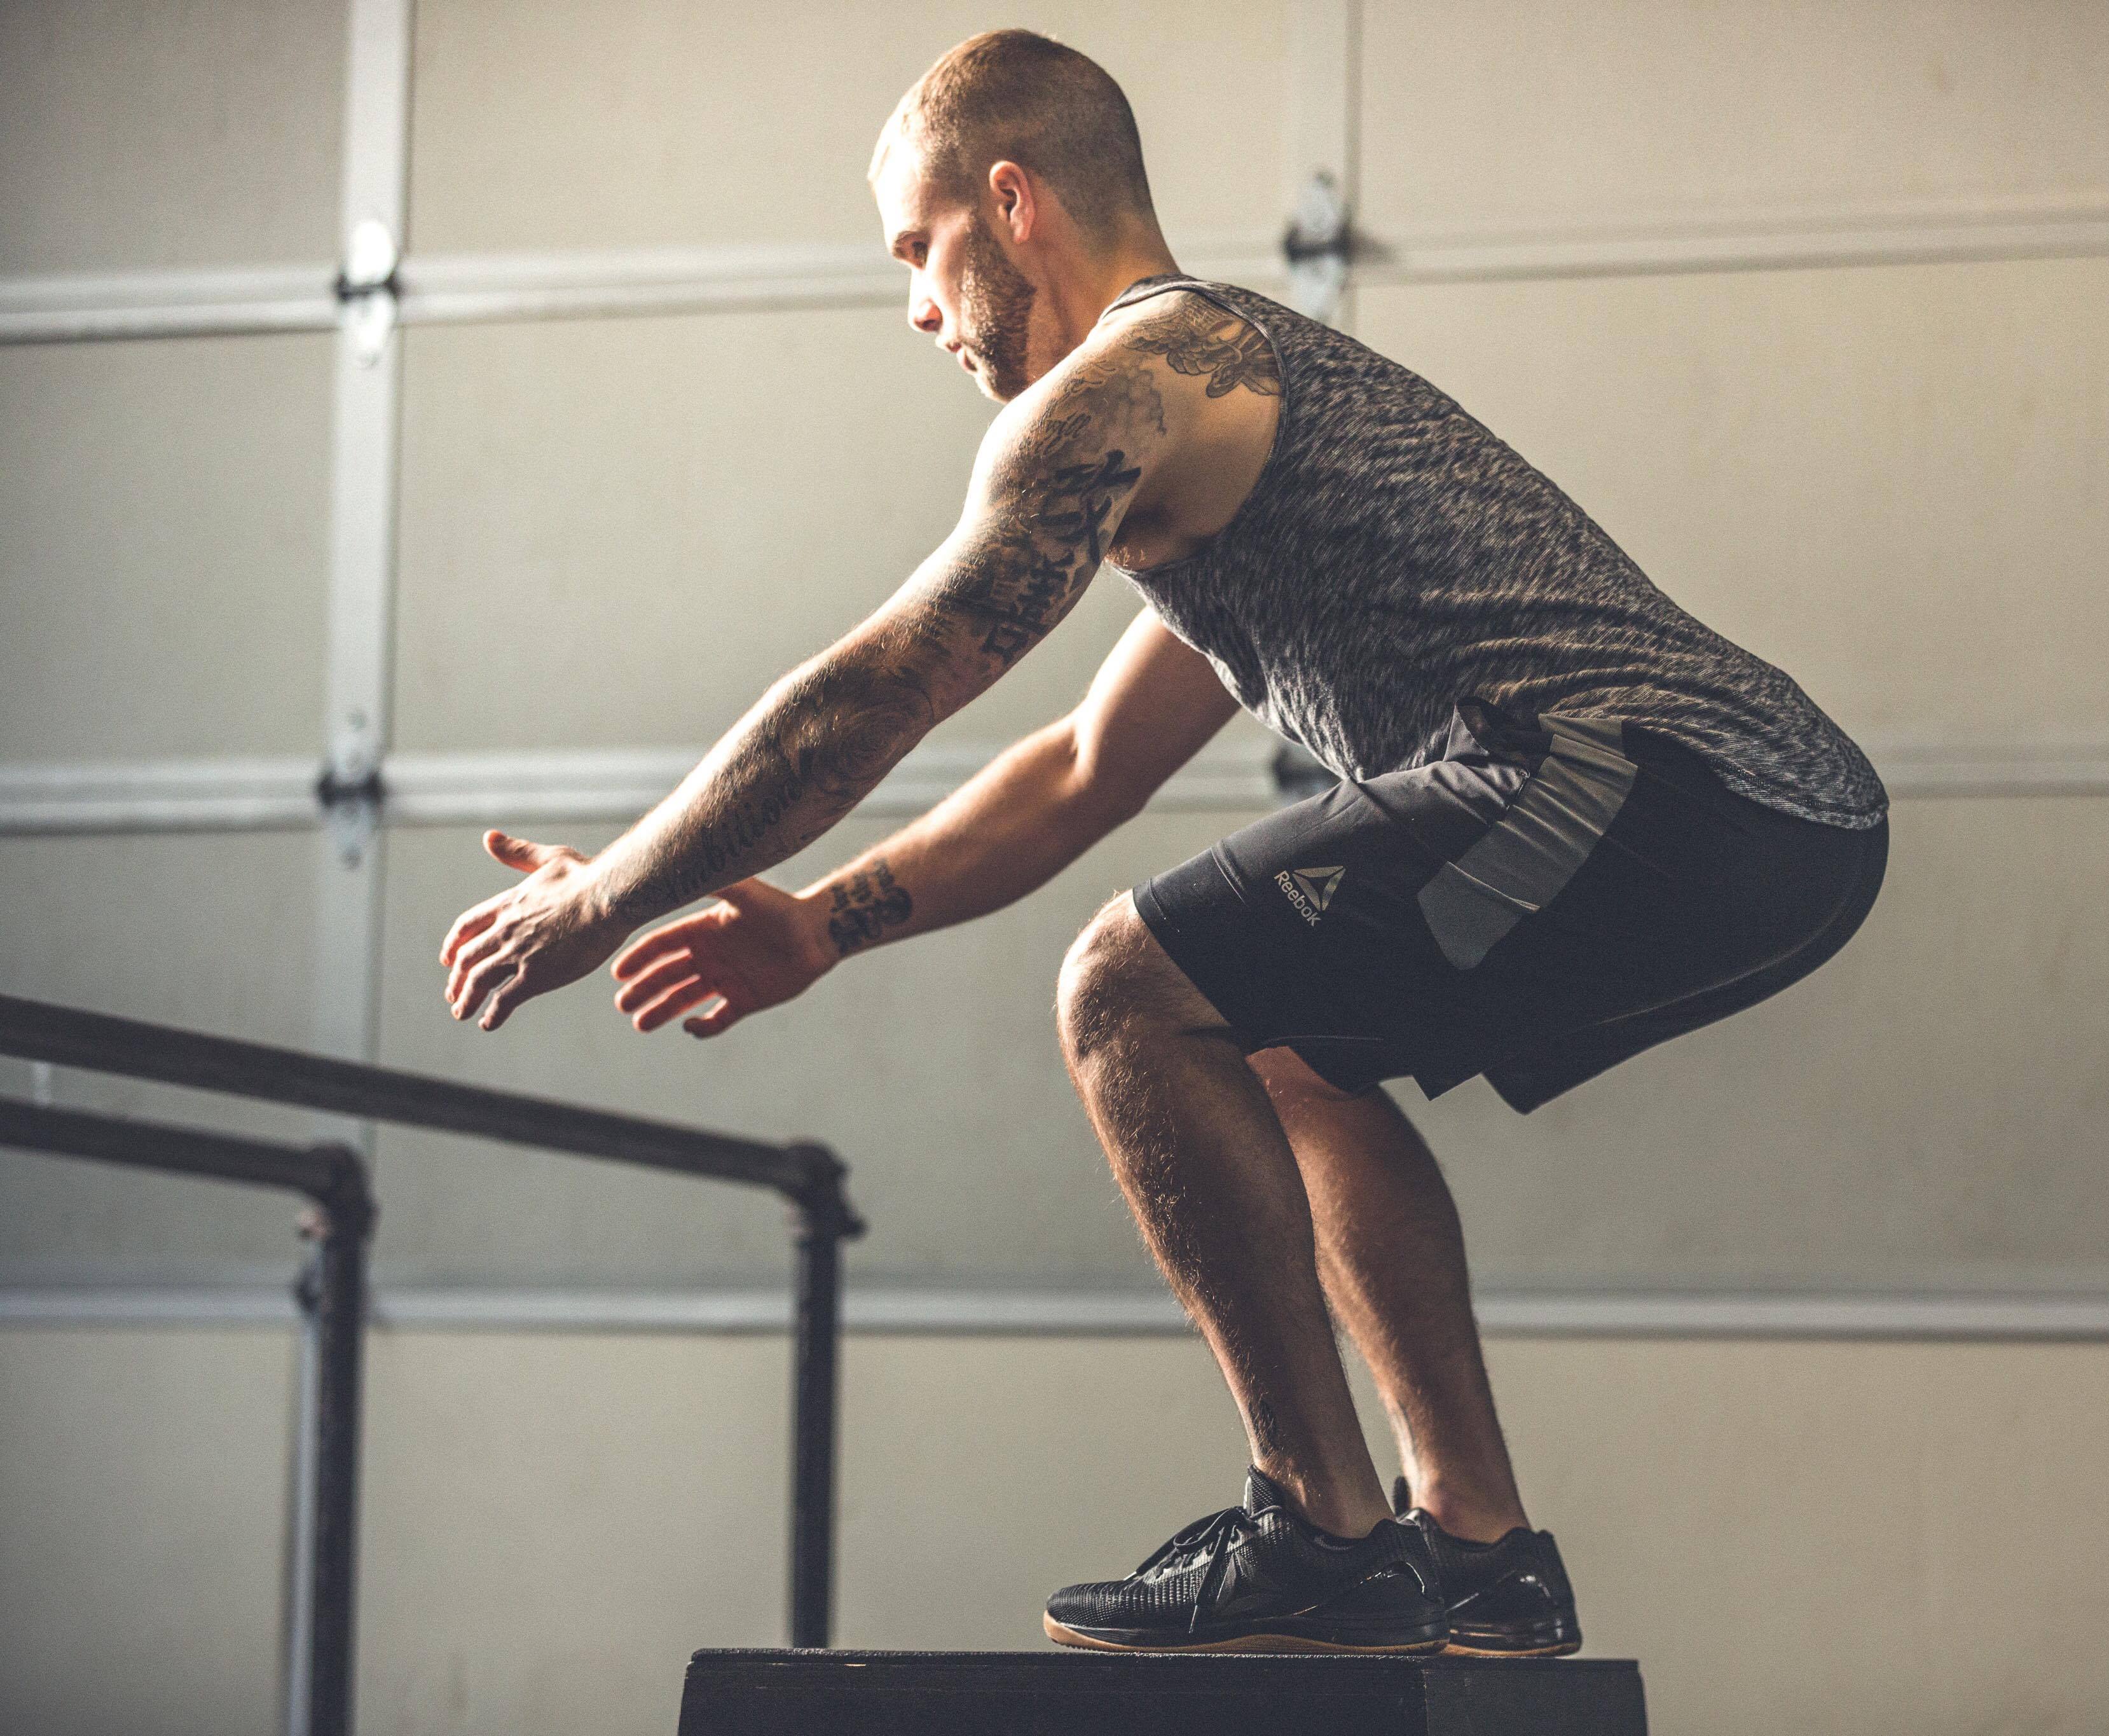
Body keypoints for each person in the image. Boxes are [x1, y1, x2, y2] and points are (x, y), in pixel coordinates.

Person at [437, 28, 1888, 1657]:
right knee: (1269, 1047)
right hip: (1754, 815)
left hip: (1672, 780)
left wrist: (614, 892)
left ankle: (1320, 1533)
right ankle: (1474, 1549)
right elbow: (1074, 769)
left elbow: (892, 676)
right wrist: (820, 928)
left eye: (918, 251)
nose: (915, 306)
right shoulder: (1237, 452)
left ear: (1012, 200)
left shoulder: (1141, 379)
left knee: (1124, 985)